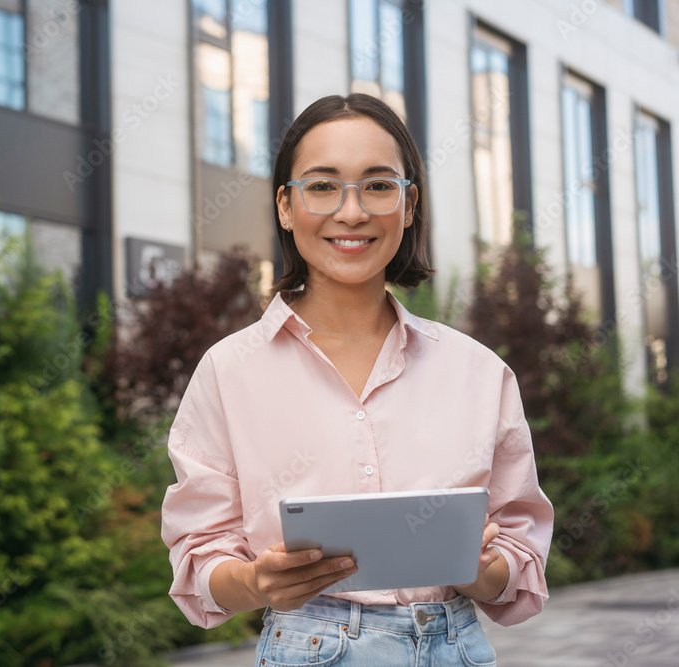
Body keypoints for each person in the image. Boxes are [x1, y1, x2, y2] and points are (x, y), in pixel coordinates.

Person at [160, 93, 554, 666]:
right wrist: (255, 584)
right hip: (307, 647)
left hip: (455, 649)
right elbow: (199, 554)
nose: (352, 212)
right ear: (286, 207)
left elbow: (521, 560)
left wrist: (480, 571)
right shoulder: (229, 371)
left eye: (377, 184)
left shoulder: (477, 371)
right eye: (322, 186)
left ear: (409, 203)